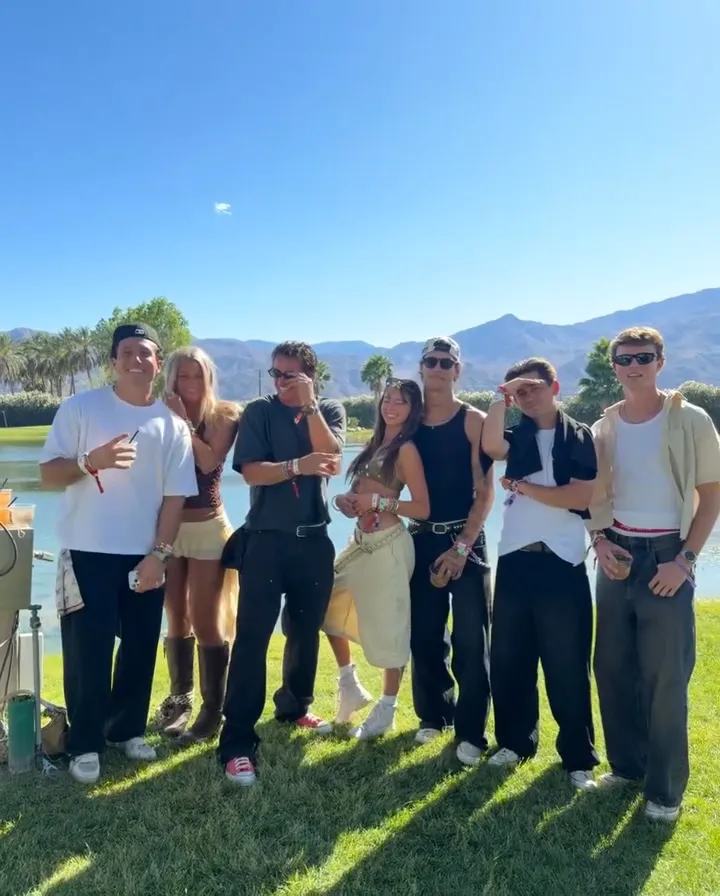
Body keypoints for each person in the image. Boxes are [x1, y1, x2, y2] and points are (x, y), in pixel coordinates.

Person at [38, 324, 198, 784]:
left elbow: (175, 498)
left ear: (157, 361)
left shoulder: (171, 425)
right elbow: (49, 474)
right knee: (88, 650)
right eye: (126, 352)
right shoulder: (81, 407)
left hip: (144, 555)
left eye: (145, 353)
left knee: (141, 645)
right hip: (87, 552)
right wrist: (92, 461)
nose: (136, 360)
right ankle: (86, 742)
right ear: (113, 361)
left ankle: (125, 730)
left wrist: (160, 555)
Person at [589, 326, 720, 821]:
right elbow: (595, 496)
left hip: (668, 553)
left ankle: (664, 792)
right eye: (624, 359)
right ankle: (626, 767)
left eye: (643, 357)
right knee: (613, 668)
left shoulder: (691, 419)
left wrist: (684, 561)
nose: (633, 366)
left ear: (660, 362)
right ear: (615, 367)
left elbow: (713, 496)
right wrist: (599, 540)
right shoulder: (605, 426)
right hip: (617, 554)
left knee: (665, 678)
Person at [219, 340, 346, 786]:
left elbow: (330, 461)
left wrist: (310, 409)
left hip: (314, 542)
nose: (279, 382)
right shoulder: (258, 412)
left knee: (304, 631)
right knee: (252, 639)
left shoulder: (329, 411)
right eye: (275, 373)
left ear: (310, 377)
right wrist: (295, 466)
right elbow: (252, 471)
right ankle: (236, 742)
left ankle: (294, 709)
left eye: (289, 374)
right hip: (265, 541)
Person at [482, 358, 600, 790]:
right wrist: (500, 394)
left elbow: (580, 495)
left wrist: (525, 488)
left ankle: (578, 759)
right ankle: (515, 742)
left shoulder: (580, 435)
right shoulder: (516, 438)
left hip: (563, 561)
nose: (527, 396)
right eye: (519, 392)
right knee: (511, 659)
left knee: (567, 664)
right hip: (515, 558)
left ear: (555, 386)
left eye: (534, 387)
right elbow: (492, 445)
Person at [403, 337, 494, 767]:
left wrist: (461, 547)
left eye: (446, 362)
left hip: (467, 539)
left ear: (458, 371)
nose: (438, 368)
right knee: (424, 636)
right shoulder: (409, 423)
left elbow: (485, 492)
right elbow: (391, 478)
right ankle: (434, 716)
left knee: (471, 640)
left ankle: (472, 731)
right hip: (420, 538)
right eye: (430, 361)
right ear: (421, 368)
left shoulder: (473, 421)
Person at [323, 378, 429, 739]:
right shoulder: (375, 444)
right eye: (387, 399)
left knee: (390, 628)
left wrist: (379, 503)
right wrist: (345, 501)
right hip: (360, 542)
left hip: (389, 546)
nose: (391, 406)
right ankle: (350, 685)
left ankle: (387, 709)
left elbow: (423, 508)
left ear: (413, 409)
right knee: (325, 605)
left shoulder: (407, 449)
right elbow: (358, 492)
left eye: (401, 401)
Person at [154, 346, 241, 744]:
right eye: (181, 376)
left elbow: (207, 463)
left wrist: (181, 421)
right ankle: (180, 700)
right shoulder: (156, 412)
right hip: (168, 528)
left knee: (205, 618)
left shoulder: (224, 414)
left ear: (209, 377)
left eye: (196, 376)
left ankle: (213, 710)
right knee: (175, 616)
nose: (189, 384)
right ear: (170, 378)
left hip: (207, 526)